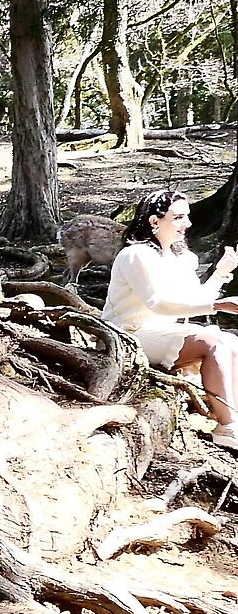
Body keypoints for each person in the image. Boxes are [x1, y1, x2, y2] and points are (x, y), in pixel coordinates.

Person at [102, 187, 238, 447]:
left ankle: (232, 416)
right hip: (129, 333)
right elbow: (158, 303)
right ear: (155, 220)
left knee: (231, 342)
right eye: (178, 218)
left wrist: (221, 273)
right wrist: (217, 305)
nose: (186, 224)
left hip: (164, 332)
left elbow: (195, 299)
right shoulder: (135, 255)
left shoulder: (183, 258)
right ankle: (227, 426)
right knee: (213, 342)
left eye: (186, 217)